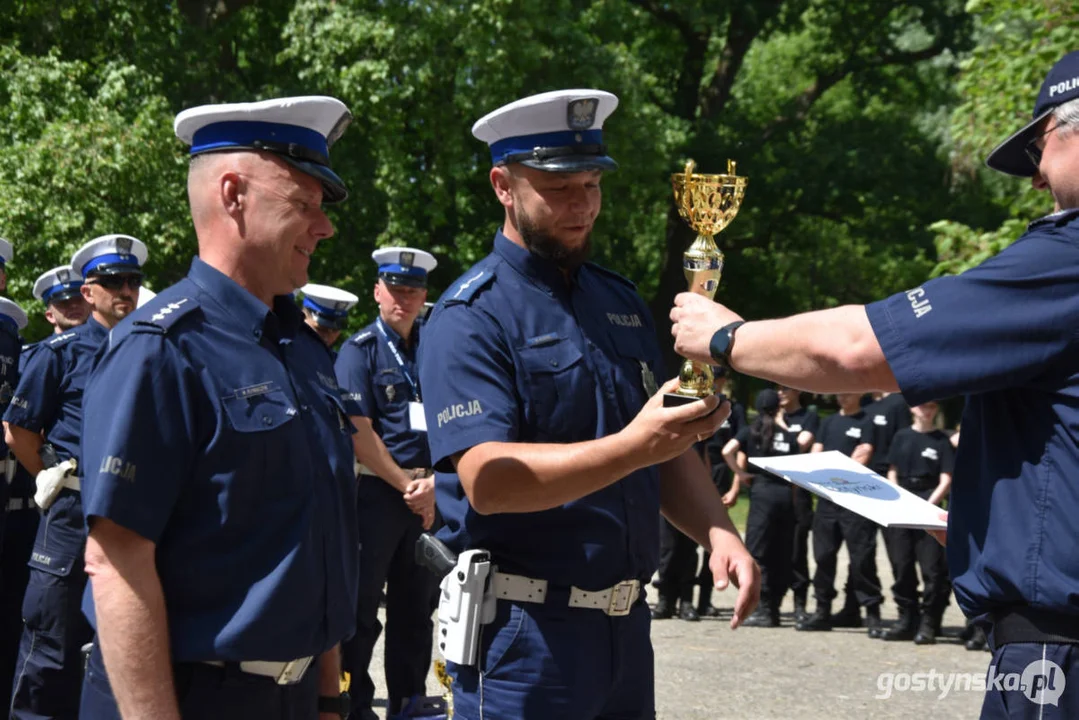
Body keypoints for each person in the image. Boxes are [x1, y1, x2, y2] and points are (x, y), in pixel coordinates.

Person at [671, 50, 1079, 717]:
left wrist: (724, 337)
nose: (1033, 178)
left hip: (1056, 654)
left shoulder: (1062, 261)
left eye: (1035, 144)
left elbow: (859, 350)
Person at [417, 88, 759, 720]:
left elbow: (664, 448)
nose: (582, 207)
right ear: (503, 185)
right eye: (558, 188)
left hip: (626, 631)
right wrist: (636, 445)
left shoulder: (618, 302)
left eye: (591, 184)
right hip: (524, 636)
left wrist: (718, 531)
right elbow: (488, 482)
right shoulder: (471, 317)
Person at [77, 96, 360, 720]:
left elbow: (315, 530)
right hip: (194, 696)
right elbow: (117, 562)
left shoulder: (304, 351)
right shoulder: (160, 350)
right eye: (305, 204)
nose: (325, 227)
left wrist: (328, 696)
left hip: (295, 691)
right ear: (233, 195)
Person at [3, 235, 147, 719]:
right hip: (72, 513)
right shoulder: (59, 354)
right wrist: (51, 476)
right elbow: (20, 431)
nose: (124, 290)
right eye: (112, 282)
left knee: (120, 646)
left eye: (132, 281)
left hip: (133, 513)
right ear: (89, 292)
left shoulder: (152, 352)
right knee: (51, 646)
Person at [334, 246, 439, 720]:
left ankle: (409, 700)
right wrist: (406, 486)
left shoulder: (437, 348)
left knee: (416, 610)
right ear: (376, 292)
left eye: (413, 290)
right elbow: (359, 431)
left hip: (429, 498)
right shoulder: (360, 351)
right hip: (378, 495)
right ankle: (354, 703)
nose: (404, 298)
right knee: (359, 612)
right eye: (395, 289)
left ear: (424, 296)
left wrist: (436, 486)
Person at [0, 267, 86, 710]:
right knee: (47, 638)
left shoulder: (123, 348)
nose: (74, 307)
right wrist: (50, 480)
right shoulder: (49, 354)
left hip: (116, 507)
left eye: (79, 298)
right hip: (64, 508)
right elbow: (18, 430)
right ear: (48, 312)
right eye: (63, 302)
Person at [795, 393, 882, 636]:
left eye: (848, 393)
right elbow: (816, 452)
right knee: (823, 556)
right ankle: (822, 610)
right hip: (828, 501)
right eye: (840, 394)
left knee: (861, 557)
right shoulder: (829, 422)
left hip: (856, 502)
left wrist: (834, 469)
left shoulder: (867, 421)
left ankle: (871, 613)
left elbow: (864, 453)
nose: (844, 397)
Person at [881, 401, 953, 644]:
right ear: (913, 409)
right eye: (923, 406)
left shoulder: (941, 441)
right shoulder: (901, 436)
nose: (927, 410)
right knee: (901, 565)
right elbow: (891, 469)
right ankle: (906, 617)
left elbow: (946, 479)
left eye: (932, 407)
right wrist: (898, 496)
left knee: (932, 570)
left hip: (928, 502)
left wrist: (926, 506)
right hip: (902, 501)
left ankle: (930, 622)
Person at [727, 388, 798, 628]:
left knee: (758, 549)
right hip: (785, 494)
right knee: (782, 549)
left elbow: (728, 451)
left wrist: (741, 473)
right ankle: (775, 608)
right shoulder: (787, 433)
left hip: (762, 492)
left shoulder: (752, 430)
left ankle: (761, 606)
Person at [775, 385, 818, 622]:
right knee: (774, 550)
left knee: (797, 549)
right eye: (778, 389)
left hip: (798, 492)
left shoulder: (809, 417)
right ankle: (771, 603)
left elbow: (799, 445)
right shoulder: (771, 414)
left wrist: (778, 426)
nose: (781, 393)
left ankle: (800, 604)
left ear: (798, 391)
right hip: (774, 492)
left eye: (786, 389)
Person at [301, 282, 360, 350]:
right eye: (321, 329)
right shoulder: (287, 352)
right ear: (302, 317)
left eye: (335, 330)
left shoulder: (337, 359)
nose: (328, 337)